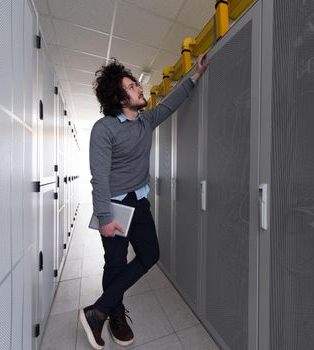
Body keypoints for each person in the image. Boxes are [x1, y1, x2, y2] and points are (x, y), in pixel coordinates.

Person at [80, 53, 208, 349]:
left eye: (137, 83)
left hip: (138, 202)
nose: (139, 88)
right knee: (114, 264)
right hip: (114, 207)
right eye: (132, 85)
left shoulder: (145, 121)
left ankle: (98, 310)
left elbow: (170, 103)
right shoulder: (104, 129)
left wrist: (195, 75)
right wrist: (104, 217)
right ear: (119, 97)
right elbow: (98, 176)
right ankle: (114, 315)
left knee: (150, 254)